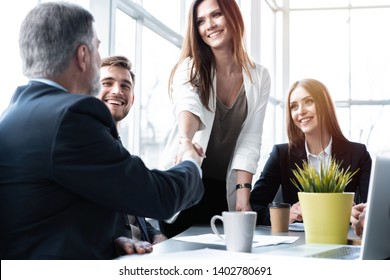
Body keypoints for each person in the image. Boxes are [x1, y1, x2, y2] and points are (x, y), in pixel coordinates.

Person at [0, 2, 203, 260]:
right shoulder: (71, 118)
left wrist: (108, 239)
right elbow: (158, 197)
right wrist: (191, 163)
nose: (99, 57)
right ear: (83, 56)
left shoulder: (13, 113)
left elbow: (45, 218)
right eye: (97, 49)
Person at [159, 0, 271, 238]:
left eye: (216, 15)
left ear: (233, 16)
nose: (209, 25)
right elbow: (188, 105)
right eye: (200, 21)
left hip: (222, 194)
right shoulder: (190, 67)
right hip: (187, 187)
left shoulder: (259, 76)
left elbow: (250, 138)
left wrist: (243, 196)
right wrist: (186, 141)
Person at [250, 78, 372, 226]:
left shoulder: (358, 154)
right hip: (297, 244)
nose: (300, 111)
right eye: (294, 106)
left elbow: (373, 208)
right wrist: (284, 215)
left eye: (308, 102)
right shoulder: (281, 155)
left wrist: (360, 214)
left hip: (341, 239)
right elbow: (253, 207)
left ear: (324, 105)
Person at [97, 55, 167, 244]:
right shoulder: (85, 150)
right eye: (107, 83)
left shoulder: (121, 151)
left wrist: (154, 234)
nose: (117, 91)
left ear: (132, 99)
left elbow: (130, 214)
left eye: (125, 86)